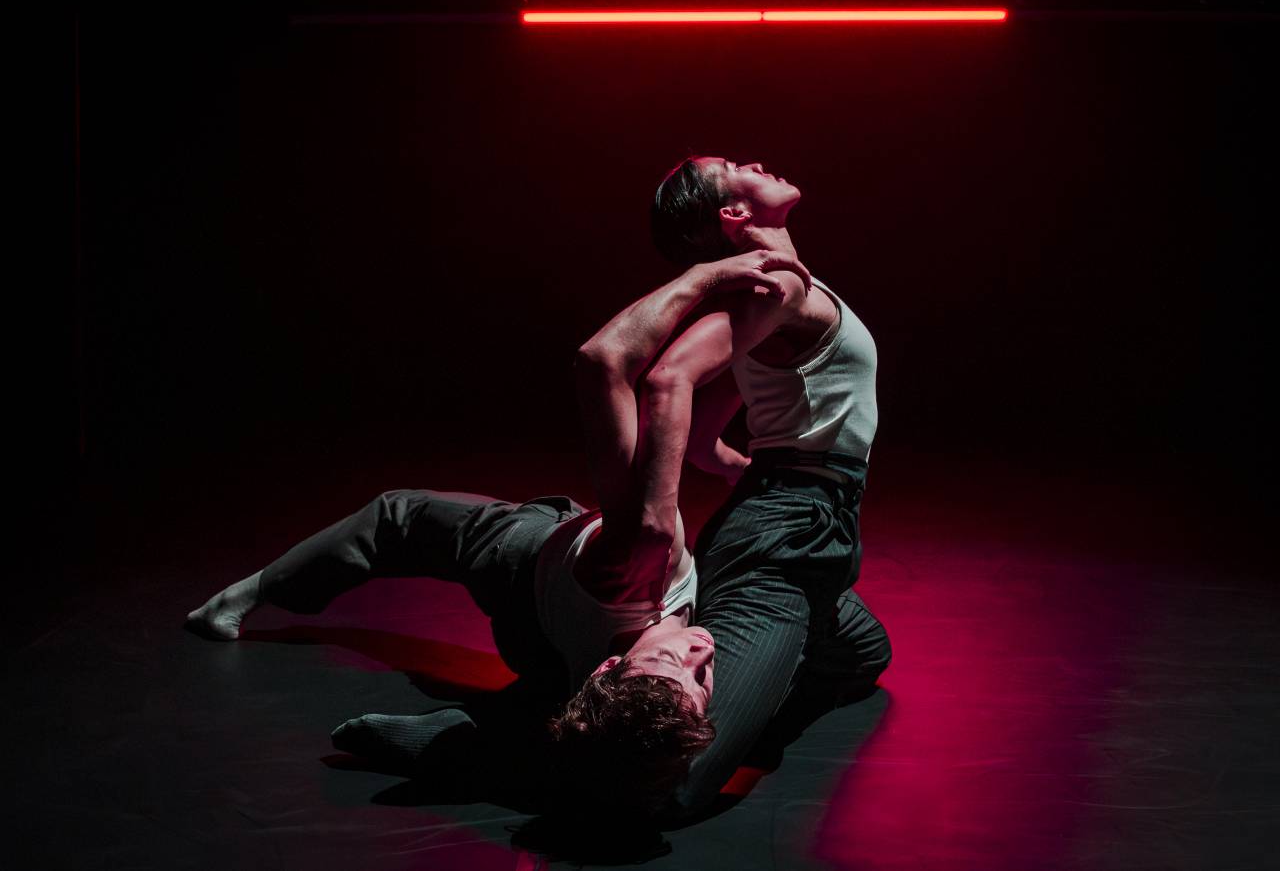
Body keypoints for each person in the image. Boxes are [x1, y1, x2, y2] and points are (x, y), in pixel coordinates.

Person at [183, 249, 812, 817]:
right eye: (701, 678)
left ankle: (241, 599)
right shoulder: (631, 688)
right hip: (548, 648)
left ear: (608, 668)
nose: (703, 648)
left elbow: (602, 362)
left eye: (674, 658)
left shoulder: (642, 548)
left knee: (395, 517)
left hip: (519, 557)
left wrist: (700, 277)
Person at [646, 155, 893, 817]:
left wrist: (756, 472)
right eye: (732, 167)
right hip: (783, 541)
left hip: (805, 523)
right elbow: (670, 380)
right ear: (734, 215)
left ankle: (736, 670)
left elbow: (704, 440)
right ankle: (506, 746)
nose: (752, 160)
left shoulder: (781, 294)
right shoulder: (773, 291)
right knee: (674, 777)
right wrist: (660, 520)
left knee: (866, 653)